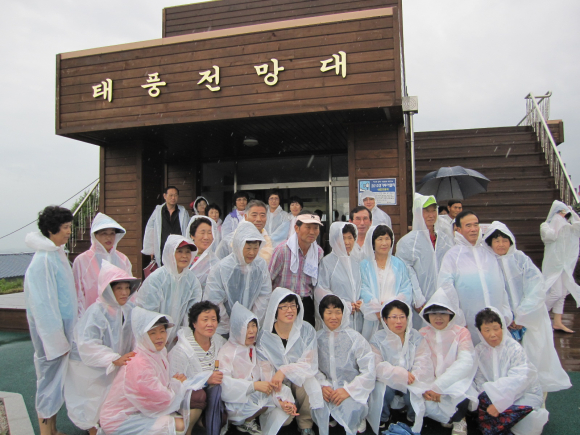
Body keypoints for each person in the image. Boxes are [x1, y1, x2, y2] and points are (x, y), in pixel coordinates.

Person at [483, 221, 571, 392]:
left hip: (528, 317)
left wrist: (522, 315)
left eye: (504, 240)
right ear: (490, 243)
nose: (501, 244)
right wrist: (505, 317)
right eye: (496, 240)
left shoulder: (520, 259)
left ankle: (532, 388)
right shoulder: (487, 263)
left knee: (532, 352)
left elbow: (536, 287)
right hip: (502, 319)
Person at [65, 261, 140, 434]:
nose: (124, 292)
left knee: (114, 404)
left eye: (127, 288)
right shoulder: (97, 311)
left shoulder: (130, 309)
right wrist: (112, 358)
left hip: (117, 365)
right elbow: (87, 344)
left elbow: (137, 334)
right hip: (93, 369)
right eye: (119, 288)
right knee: (94, 403)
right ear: (108, 290)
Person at [24, 205, 77, 435]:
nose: (69, 232)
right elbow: (43, 307)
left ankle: (53, 430)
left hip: (61, 333)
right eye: (65, 227)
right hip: (51, 339)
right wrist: (57, 342)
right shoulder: (43, 261)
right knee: (48, 385)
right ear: (51, 229)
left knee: (55, 384)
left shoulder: (56, 254)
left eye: (69, 227)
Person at [98, 309, 188, 435]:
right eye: (153, 333)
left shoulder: (157, 352)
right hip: (118, 420)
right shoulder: (140, 363)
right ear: (143, 335)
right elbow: (159, 398)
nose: (159, 337)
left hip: (137, 412)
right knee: (178, 425)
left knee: (182, 418)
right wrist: (176, 385)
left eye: (162, 331)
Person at [218, 302, 295, 435]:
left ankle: (251, 419)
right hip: (236, 399)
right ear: (237, 329)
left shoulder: (255, 349)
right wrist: (253, 386)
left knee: (285, 402)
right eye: (247, 327)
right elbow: (224, 384)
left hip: (256, 395)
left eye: (254, 325)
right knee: (261, 402)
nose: (252, 331)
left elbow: (267, 375)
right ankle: (244, 421)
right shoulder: (227, 352)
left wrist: (281, 400)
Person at [437, 210, 512, 344]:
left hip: (496, 321)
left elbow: (501, 285)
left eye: (476, 225)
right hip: (469, 322)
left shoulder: (488, 252)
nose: (473, 229)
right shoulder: (452, 256)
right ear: (458, 229)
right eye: (468, 226)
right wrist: (458, 318)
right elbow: (446, 289)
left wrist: (506, 313)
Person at [256, 288, 324, 435]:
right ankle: (288, 407)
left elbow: (309, 364)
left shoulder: (306, 330)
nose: (290, 310)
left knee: (307, 383)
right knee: (284, 419)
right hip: (277, 384)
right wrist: (281, 400)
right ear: (275, 309)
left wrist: (284, 370)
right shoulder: (264, 337)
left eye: (293, 305)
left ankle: (305, 423)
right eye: (284, 306)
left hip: (298, 380)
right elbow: (266, 373)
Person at [473, 308, 549, 435]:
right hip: (494, 395)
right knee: (482, 401)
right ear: (480, 332)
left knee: (526, 422)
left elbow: (519, 380)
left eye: (496, 329)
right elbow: (479, 379)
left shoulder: (514, 348)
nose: (493, 334)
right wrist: (491, 397)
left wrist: (500, 403)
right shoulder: (479, 350)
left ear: (502, 328)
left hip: (521, 395)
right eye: (487, 330)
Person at [367, 299, 433, 435]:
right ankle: (383, 417)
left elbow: (423, 359)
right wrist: (398, 374)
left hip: (411, 378)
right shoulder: (377, 338)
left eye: (402, 317)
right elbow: (376, 364)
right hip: (388, 379)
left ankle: (412, 417)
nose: (399, 321)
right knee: (384, 391)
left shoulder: (416, 336)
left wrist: (413, 376)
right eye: (394, 317)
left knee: (413, 393)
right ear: (385, 320)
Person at [312, 295, 375, 435]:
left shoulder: (355, 338)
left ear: (343, 313)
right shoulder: (317, 338)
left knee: (352, 411)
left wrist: (349, 390)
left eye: (338, 312)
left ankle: (357, 416)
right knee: (317, 407)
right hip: (328, 389)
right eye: (329, 312)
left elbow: (368, 370)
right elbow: (312, 367)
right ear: (322, 315)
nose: (333, 317)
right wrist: (323, 385)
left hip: (351, 387)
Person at [419, 288, 477, 435]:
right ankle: (448, 416)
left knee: (460, 392)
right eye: (434, 314)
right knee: (418, 398)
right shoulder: (423, 333)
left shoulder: (461, 332)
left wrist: (439, 386)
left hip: (454, 381)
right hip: (431, 382)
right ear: (427, 315)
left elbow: (465, 362)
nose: (438, 318)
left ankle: (459, 419)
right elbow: (421, 363)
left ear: (451, 314)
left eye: (443, 313)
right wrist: (430, 386)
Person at [168, 301, 228, 435]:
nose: (210, 324)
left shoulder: (219, 342)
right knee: (198, 396)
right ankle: (188, 430)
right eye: (205, 320)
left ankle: (201, 423)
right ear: (194, 323)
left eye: (213, 319)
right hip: (189, 398)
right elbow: (175, 383)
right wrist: (205, 380)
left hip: (212, 395)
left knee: (222, 418)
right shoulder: (182, 349)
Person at [396, 194, 454, 329]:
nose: (431, 215)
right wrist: (417, 297)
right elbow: (406, 272)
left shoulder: (444, 240)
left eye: (434, 210)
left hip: (444, 299)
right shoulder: (408, 242)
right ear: (417, 213)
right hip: (421, 302)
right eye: (426, 211)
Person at [205, 221, 272, 336]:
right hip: (224, 329)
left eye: (255, 248)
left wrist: (251, 322)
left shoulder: (260, 266)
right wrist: (229, 326)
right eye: (248, 248)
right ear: (238, 246)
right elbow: (214, 300)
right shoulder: (223, 268)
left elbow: (264, 295)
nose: (252, 253)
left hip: (250, 330)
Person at [136, 235, 203, 348]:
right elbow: (147, 311)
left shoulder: (191, 280)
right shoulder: (157, 278)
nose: (184, 256)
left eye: (187, 252)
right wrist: (160, 332)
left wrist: (184, 333)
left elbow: (192, 311)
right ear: (170, 253)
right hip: (154, 338)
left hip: (178, 340)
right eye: (179, 251)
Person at [269, 213, 324, 327]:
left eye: (315, 228)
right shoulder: (282, 250)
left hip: (306, 303)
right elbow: (268, 279)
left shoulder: (318, 252)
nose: (312, 232)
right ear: (296, 228)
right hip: (284, 304)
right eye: (308, 227)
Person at [73, 212, 132, 317]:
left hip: (118, 317)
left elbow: (130, 291)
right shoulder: (82, 260)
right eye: (104, 233)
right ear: (95, 235)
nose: (109, 238)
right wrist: (82, 319)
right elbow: (77, 294)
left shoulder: (123, 260)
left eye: (112, 233)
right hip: (91, 316)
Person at [359, 225, 413, 340]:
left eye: (387, 239)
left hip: (394, 316)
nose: (384, 243)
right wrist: (376, 308)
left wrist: (391, 306)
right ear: (373, 242)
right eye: (380, 239)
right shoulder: (364, 265)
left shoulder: (398, 264)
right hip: (373, 315)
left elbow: (406, 288)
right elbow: (363, 288)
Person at [314, 222, 363, 332]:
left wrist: (362, 302)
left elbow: (362, 286)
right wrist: (343, 305)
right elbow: (321, 290)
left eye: (350, 238)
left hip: (356, 318)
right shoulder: (327, 262)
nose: (347, 242)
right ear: (335, 240)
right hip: (336, 317)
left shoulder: (356, 262)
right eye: (343, 238)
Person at [540, 200, 580, 333]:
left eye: (564, 213)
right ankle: (538, 315)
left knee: (562, 293)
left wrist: (573, 215)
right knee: (556, 293)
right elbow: (550, 237)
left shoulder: (568, 227)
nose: (562, 216)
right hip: (553, 265)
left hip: (565, 265)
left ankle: (557, 322)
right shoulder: (545, 226)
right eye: (561, 212)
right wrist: (556, 222)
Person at [142, 186, 189, 267]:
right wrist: (151, 250)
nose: (173, 198)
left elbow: (188, 229)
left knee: (179, 268)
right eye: (171, 195)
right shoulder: (158, 211)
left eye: (175, 195)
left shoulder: (183, 212)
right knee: (163, 269)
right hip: (162, 247)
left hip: (179, 247)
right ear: (165, 196)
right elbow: (150, 229)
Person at [216, 200, 274, 264]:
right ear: (246, 217)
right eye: (254, 215)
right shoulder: (230, 241)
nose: (259, 219)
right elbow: (218, 265)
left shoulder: (269, 241)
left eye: (262, 215)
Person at [188, 215, 220, 290]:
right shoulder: (184, 257)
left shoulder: (215, 262)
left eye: (209, 233)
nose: (206, 237)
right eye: (202, 233)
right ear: (192, 235)